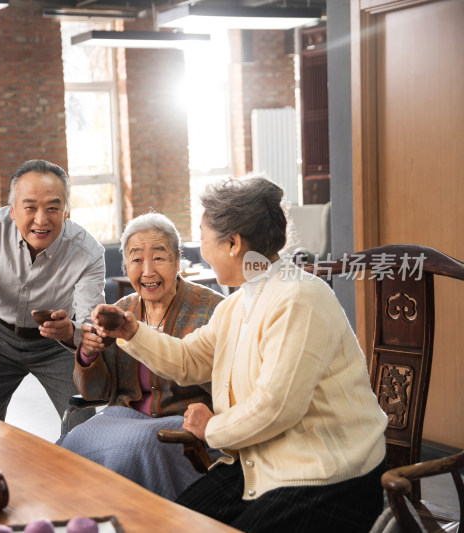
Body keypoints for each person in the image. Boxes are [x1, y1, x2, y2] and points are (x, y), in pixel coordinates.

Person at [91, 176, 388, 532]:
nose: (200, 251)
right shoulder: (237, 304)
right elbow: (188, 360)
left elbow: (275, 407)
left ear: (232, 243)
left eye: (202, 238)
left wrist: (210, 428)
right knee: (171, 524)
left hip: (325, 473)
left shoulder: (298, 298)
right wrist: (131, 330)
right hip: (258, 465)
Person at [58, 213, 224, 500]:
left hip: (183, 421)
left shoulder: (213, 309)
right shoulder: (120, 310)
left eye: (159, 258)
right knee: (68, 447)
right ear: (125, 264)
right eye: (136, 260)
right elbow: (97, 392)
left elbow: (226, 386)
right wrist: (88, 354)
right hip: (124, 417)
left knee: (136, 449)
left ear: (177, 259)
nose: (147, 271)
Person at [0, 159, 105, 426]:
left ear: (67, 211)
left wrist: (70, 332)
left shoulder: (88, 252)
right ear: (12, 210)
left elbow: (92, 327)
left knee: (84, 428)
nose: (41, 220)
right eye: (30, 207)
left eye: (53, 208)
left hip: (56, 345)